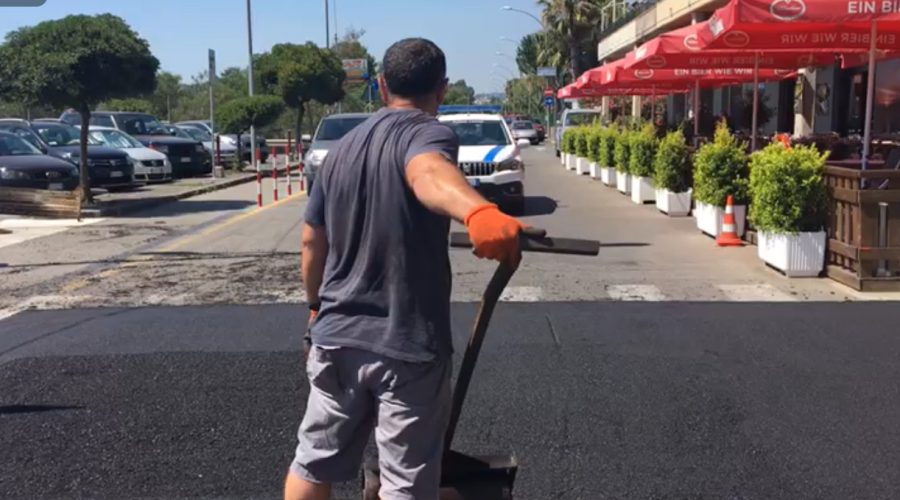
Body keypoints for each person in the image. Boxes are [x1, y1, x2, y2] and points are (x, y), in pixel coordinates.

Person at [283, 38, 528, 500]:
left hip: (335, 336)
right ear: (442, 89)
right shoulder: (427, 132)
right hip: (406, 346)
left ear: (380, 85)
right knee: (404, 482)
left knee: (313, 462)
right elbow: (427, 173)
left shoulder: (340, 151)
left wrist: (316, 309)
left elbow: (311, 239)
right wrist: (478, 212)